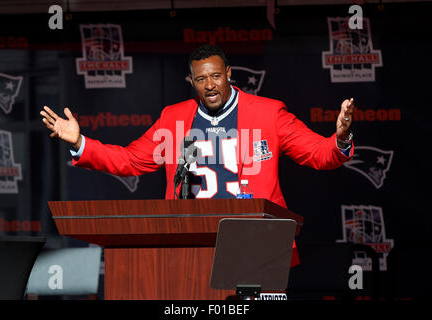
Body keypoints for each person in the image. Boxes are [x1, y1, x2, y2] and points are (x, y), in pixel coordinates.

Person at [40, 44, 354, 266]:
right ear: (192, 82)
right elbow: (131, 160)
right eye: (201, 79)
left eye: (216, 76)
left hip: (258, 240)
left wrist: (339, 138)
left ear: (229, 73)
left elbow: (317, 153)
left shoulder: (268, 113)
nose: (210, 85)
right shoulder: (174, 119)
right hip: (190, 241)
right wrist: (81, 141)